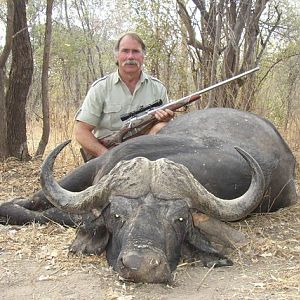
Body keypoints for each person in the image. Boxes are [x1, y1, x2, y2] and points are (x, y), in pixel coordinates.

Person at [74, 32, 174, 158]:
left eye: (135, 51)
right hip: (106, 156)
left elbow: (163, 130)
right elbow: (81, 131)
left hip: (146, 154)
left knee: (162, 127)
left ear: (143, 56)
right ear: (117, 56)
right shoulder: (100, 88)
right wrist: (107, 156)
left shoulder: (158, 88)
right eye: (125, 51)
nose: (130, 56)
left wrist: (165, 119)